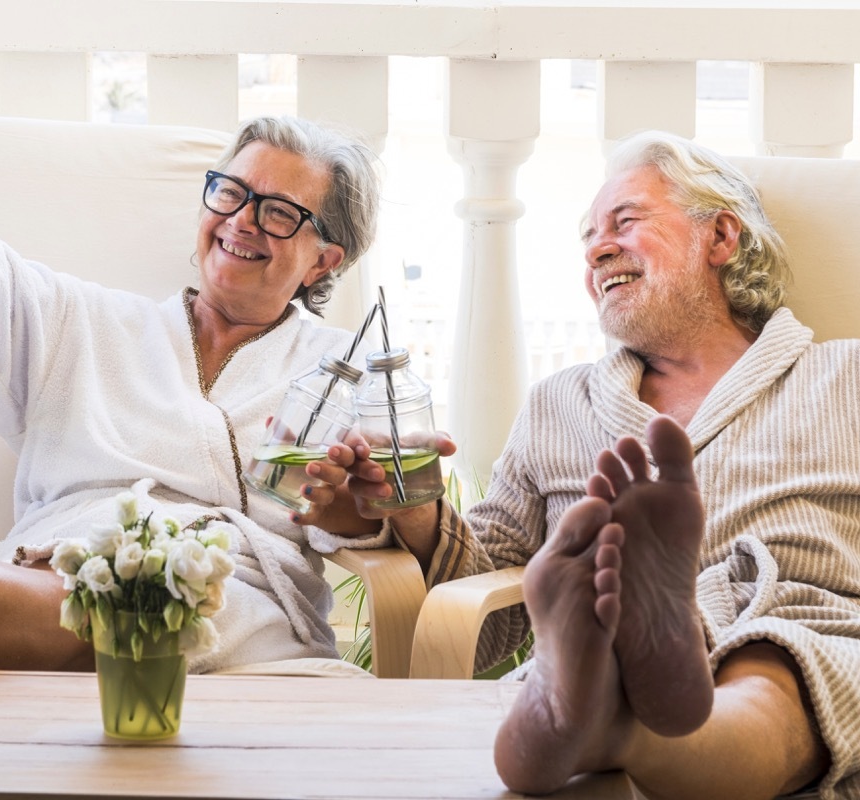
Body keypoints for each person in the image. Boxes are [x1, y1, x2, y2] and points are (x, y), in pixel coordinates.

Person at [0, 82, 456, 698]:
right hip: (55, 573)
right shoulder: (88, 323)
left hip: (228, 610)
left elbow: (396, 518)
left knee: (143, 596)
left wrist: (355, 511)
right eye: (231, 193)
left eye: (277, 213)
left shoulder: (350, 370)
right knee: (107, 586)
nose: (242, 220)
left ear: (323, 259)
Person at [303, 131, 860, 800]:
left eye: (626, 222)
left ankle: (607, 722)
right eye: (589, 238)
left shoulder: (844, 376)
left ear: (720, 239)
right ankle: (605, 677)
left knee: (774, 663)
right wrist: (415, 512)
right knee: (593, 625)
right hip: (597, 642)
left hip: (802, 622)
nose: (597, 250)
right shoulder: (557, 405)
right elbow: (488, 602)